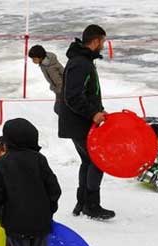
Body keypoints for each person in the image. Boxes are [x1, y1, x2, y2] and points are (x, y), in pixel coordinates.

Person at [58, 24, 115, 220]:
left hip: (79, 121)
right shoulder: (81, 63)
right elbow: (72, 96)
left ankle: (82, 203)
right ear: (96, 40)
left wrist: (98, 110)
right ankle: (91, 205)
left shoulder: (81, 61)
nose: (103, 46)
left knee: (87, 161)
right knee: (98, 161)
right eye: (103, 41)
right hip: (79, 122)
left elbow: (87, 93)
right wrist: (92, 114)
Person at [28, 45, 64, 115]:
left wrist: (58, 92)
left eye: (34, 59)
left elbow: (59, 82)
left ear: (40, 57)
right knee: (58, 109)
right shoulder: (45, 63)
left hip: (63, 91)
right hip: (60, 90)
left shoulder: (50, 67)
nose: (33, 61)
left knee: (58, 109)